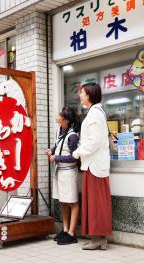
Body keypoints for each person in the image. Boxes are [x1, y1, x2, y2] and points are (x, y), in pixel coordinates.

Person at [72, 82, 112, 250]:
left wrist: (77, 152)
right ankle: (97, 238)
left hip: (94, 166)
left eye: (82, 92)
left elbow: (93, 142)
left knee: (97, 203)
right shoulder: (95, 112)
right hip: (93, 165)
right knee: (94, 203)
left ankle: (99, 238)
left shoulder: (95, 114)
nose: (79, 95)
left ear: (89, 95)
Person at [45, 106, 81, 245]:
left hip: (68, 172)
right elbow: (59, 146)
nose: (57, 115)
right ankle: (65, 230)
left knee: (72, 202)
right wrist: (52, 151)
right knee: (63, 201)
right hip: (60, 171)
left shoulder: (72, 136)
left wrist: (56, 157)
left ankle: (72, 233)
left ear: (65, 120)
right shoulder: (61, 131)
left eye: (60, 114)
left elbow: (74, 157)